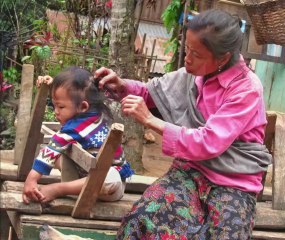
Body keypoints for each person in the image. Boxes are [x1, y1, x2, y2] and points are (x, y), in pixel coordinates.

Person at [96, 9, 272, 240]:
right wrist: (121, 86)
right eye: (187, 48)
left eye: (196, 54)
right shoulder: (193, 74)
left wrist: (150, 120)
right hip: (191, 171)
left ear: (222, 58)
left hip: (234, 182)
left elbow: (208, 142)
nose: (187, 57)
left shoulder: (246, 89)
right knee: (140, 220)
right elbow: (152, 91)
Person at [22, 66, 134, 204]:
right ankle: (71, 188)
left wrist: (31, 179)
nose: (56, 111)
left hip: (108, 188)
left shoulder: (74, 127)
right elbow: (78, 95)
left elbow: (51, 149)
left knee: (110, 177)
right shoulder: (93, 112)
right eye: (54, 106)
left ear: (83, 107)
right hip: (83, 176)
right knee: (55, 153)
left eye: (61, 107)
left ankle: (59, 189)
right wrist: (52, 84)